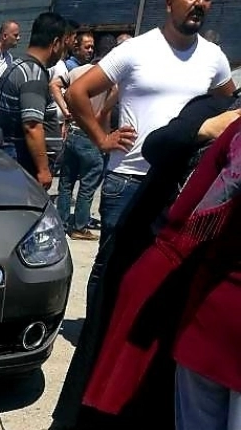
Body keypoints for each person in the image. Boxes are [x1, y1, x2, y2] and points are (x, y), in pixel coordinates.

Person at [66, 0, 234, 327]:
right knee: (111, 264)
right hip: (129, 178)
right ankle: (96, 337)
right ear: (169, 3)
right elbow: (77, 92)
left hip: (181, 183)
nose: (199, 2)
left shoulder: (214, 57)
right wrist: (102, 138)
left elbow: (229, 102)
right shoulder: (137, 50)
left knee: (164, 264)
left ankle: (134, 337)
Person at [52, 34, 115, 241]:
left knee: (66, 182)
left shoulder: (78, 71)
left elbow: (53, 85)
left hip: (73, 133)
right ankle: (79, 226)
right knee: (88, 185)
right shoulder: (109, 77)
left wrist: (66, 109)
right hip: (92, 136)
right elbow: (115, 95)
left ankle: (61, 222)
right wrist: (102, 116)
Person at [0, 12, 68, 189]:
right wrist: (43, 170)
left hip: (14, 159)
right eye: (64, 45)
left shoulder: (18, 66)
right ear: (56, 43)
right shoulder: (33, 75)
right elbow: (32, 126)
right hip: (26, 165)